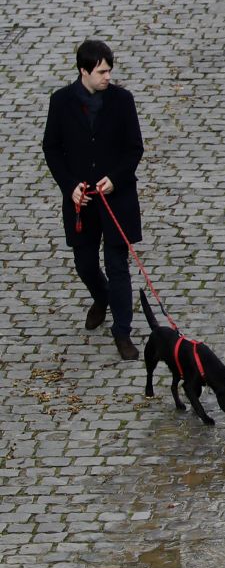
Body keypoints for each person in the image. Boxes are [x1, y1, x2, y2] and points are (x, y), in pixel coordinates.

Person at [42, 39, 145, 360]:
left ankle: (122, 332)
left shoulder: (122, 100)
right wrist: (68, 185)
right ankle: (102, 298)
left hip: (116, 199)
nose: (107, 77)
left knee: (118, 266)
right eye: (101, 71)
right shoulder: (61, 101)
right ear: (83, 71)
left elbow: (134, 148)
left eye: (109, 70)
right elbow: (52, 148)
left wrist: (115, 179)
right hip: (82, 201)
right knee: (85, 263)